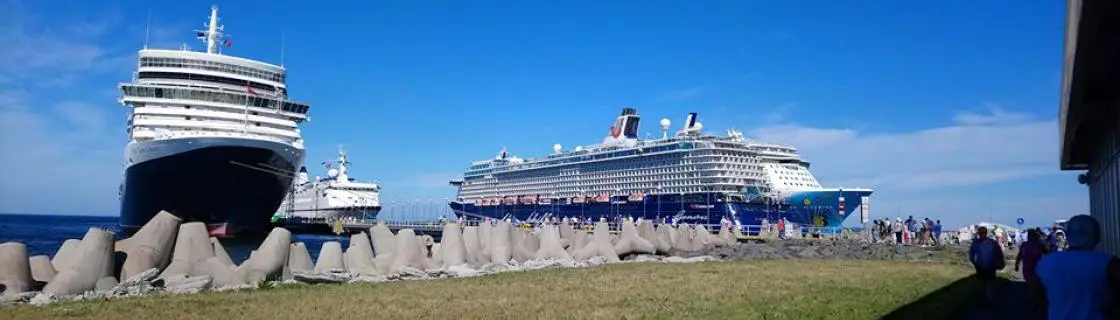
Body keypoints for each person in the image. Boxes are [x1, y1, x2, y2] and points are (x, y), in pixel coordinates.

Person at [1034, 215, 1120, 320]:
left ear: (1068, 235)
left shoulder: (1047, 262)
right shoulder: (1109, 262)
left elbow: (1038, 297)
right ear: (1096, 236)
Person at [969, 226, 1004, 302]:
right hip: (989, 265)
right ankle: (988, 300)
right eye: (981, 233)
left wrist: (975, 263)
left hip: (983, 266)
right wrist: (1000, 262)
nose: (981, 235)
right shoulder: (992, 242)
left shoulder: (976, 243)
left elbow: (971, 255)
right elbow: (999, 253)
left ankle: (985, 299)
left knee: (984, 284)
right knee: (988, 284)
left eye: (982, 233)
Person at [1015, 228, 1048, 306]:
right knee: (1034, 284)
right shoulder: (1039, 244)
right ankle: (1034, 299)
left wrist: (1016, 264)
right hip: (1035, 267)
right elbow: (1047, 253)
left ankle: (1033, 299)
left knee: (1032, 284)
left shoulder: (1027, 244)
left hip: (1030, 267)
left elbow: (1019, 256)